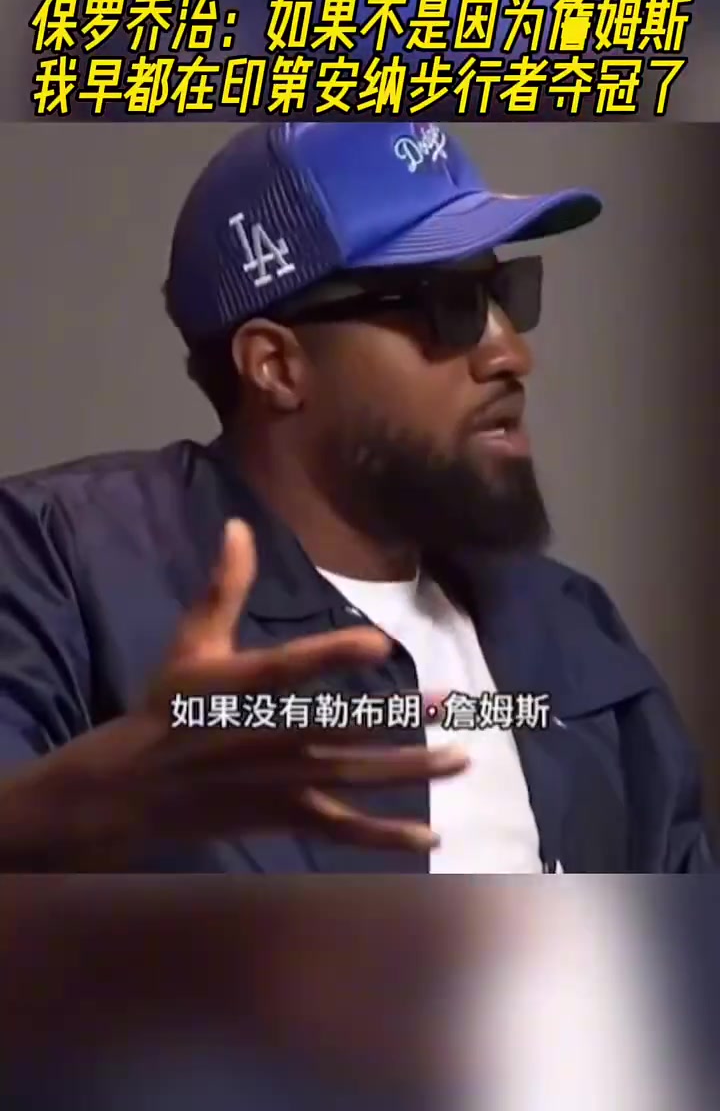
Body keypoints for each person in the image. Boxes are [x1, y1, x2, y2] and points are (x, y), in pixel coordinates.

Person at [0, 121, 715, 873]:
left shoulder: (569, 624)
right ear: (277, 365)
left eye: (506, 293)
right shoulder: (60, 565)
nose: (511, 353)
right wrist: (65, 811)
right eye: (450, 305)